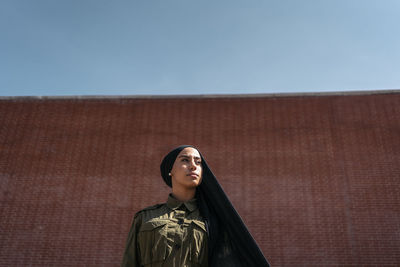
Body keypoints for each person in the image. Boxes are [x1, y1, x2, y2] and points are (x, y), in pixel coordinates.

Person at [121, 145, 270, 267]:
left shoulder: (214, 221)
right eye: (185, 160)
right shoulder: (145, 218)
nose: (193, 166)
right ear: (170, 171)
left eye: (198, 162)